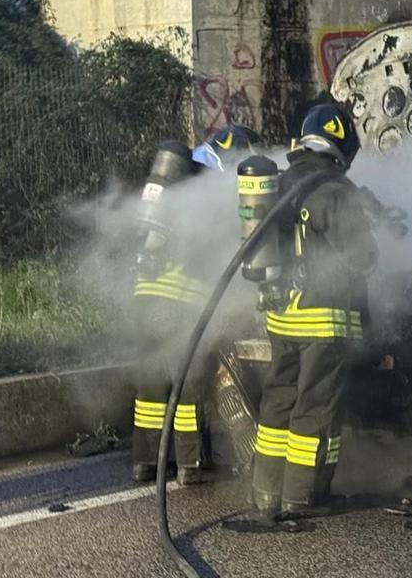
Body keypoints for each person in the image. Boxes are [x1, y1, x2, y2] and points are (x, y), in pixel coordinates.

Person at [249, 103, 378, 519]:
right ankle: (303, 496)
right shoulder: (337, 191)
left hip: (281, 316)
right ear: (341, 148)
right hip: (324, 320)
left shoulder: (280, 184)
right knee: (315, 410)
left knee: (278, 403)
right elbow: (362, 258)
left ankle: (266, 493)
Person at [130, 124, 261, 484]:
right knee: (187, 384)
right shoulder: (215, 193)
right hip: (179, 303)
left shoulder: (175, 184)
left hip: (144, 297)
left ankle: (146, 462)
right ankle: (191, 465)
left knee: (150, 386)